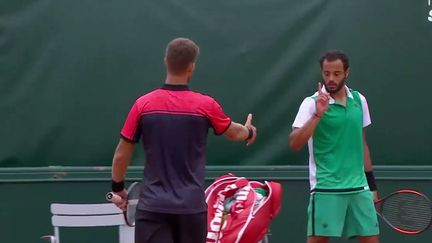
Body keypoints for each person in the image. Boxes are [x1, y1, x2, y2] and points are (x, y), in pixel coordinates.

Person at [110, 37, 257, 243]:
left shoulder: (143, 105)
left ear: (165, 61)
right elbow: (235, 133)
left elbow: (120, 155)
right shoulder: (206, 106)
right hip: (191, 209)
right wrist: (249, 131)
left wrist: (118, 188)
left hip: (153, 208)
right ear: (191, 67)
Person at [289, 50, 379, 243]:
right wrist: (317, 115)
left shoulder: (359, 101)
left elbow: (362, 144)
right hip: (326, 187)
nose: (331, 78)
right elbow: (295, 143)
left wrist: (372, 186)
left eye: (336, 73)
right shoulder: (311, 104)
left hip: (359, 188)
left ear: (347, 72)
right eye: (326, 73)